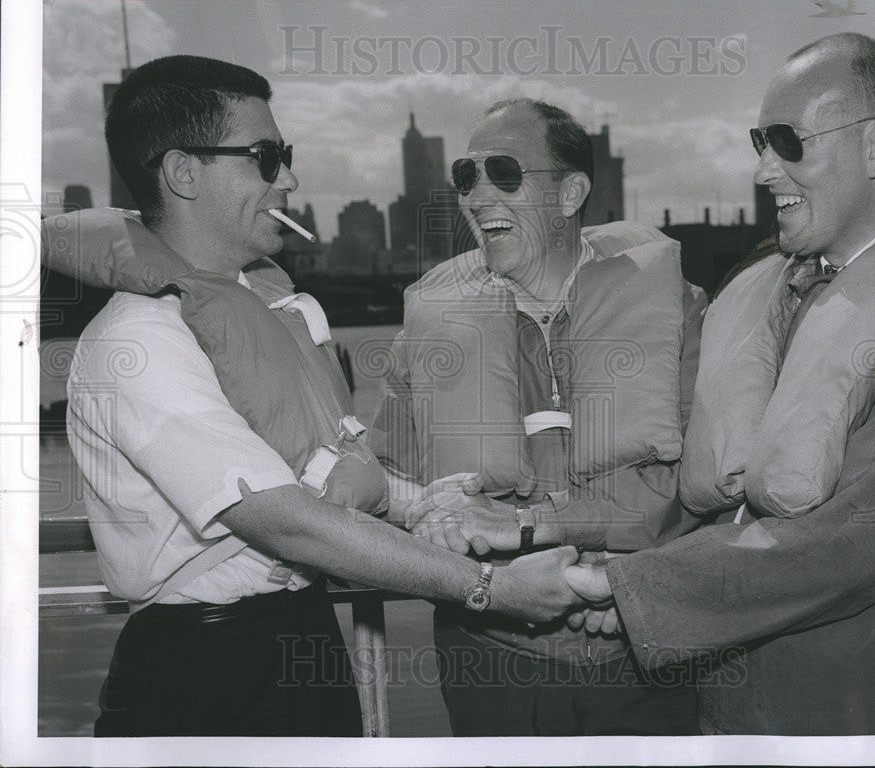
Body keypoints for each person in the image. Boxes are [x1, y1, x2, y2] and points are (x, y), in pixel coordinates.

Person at [61, 56, 585, 737]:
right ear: (184, 173)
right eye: (266, 157)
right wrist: (496, 589)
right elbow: (285, 520)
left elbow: (321, 464)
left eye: (286, 155)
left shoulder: (263, 309)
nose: (290, 178)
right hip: (204, 674)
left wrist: (427, 501)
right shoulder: (139, 342)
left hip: (303, 638)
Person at [562, 33, 875, 735]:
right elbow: (706, 497)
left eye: (788, 141)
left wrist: (633, 590)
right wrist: (556, 533)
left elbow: (870, 528)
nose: (763, 170)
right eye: (760, 140)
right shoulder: (773, 286)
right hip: (739, 709)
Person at [372, 98, 706, 735]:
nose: (477, 196)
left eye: (504, 172)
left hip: (644, 653)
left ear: (572, 191)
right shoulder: (428, 331)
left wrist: (611, 570)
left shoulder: (678, 311)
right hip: (494, 660)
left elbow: (699, 489)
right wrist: (428, 509)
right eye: (466, 178)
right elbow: (379, 476)